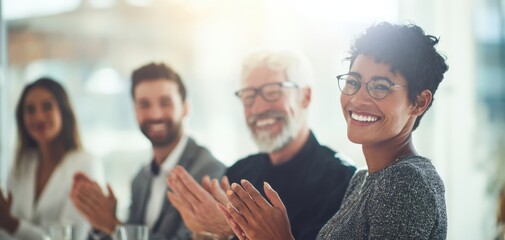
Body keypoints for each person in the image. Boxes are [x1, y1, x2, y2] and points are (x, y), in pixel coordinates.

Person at [220, 22, 449, 240]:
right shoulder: (363, 179)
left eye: (380, 87)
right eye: (353, 82)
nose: (358, 99)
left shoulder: (405, 181)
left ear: (419, 102)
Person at [166, 50, 356, 240]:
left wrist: (231, 229)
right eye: (249, 96)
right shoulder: (239, 173)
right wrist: (204, 232)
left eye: (273, 93)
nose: (258, 108)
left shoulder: (341, 180)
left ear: (305, 96)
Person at [70, 63, 226, 240]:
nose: (155, 114)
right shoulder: (140, 179)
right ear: (135, 110)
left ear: (186, 108)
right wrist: (100, 224)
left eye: (165, 103)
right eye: (144, 104)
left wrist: (112, 225)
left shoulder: (209, 172)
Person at [0, 78, 104, 240]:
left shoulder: (84, 164)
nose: (39, 117)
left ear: (63, 111)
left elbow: (72, 237)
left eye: (47, 106)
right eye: (30, 109)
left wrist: (11, 224)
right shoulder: (22, 164)